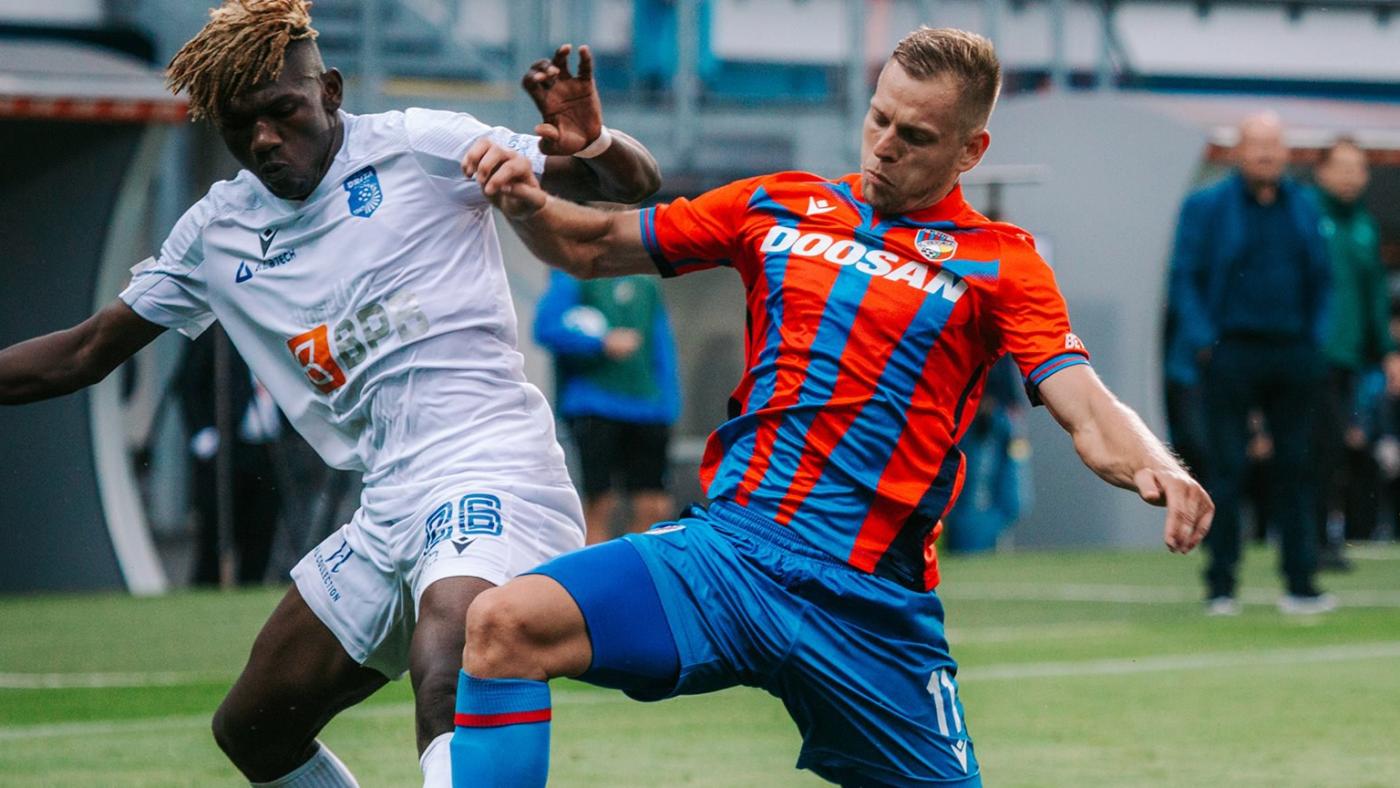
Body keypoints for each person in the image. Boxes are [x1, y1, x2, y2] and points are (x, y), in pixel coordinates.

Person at [449, 27, 1213, 787]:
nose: (885, 146)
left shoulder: (1004, 263)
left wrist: (1159, 466)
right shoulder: (780, 203)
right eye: (880, 118)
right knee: (505, 625)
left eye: (916, 136)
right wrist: (526, 201)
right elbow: (593, 245)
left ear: (970, 152)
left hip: (868, 607)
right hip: (729, 557)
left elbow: (1084, 402)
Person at [0, 1, 660, 785]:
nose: (263, 140)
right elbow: (83, 352)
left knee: (449, 662)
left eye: (283, 111)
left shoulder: (419, 147)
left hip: (492, 465)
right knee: (254, 728)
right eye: (239, 126)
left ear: (331, 92)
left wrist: (595, 143)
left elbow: (628, 185)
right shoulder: (218, 232)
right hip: (388, 502)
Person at [1168, 112, 1334, 616]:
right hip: (1231, 351)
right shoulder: (1207, 206)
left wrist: (1315, 340)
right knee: (1226, 469)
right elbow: (1184, 276)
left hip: (1293, 351)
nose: (1266, 155)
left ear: (1286, 153)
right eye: (1257, 145)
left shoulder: (1304, 205)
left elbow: (1323, 278)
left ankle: (1301, 583)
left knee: (1296, 467)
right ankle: (1221, 585)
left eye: (1274, 146)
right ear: (1238, 151)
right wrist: (1204, 342)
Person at [534, 270, 681, 543]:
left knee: (654, 506)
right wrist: (600, 342)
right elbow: (546, 328)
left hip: (648, 409)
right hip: (594, 409)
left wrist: (668, 407)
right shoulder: (572, 274)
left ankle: (636, 569)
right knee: (599, 504)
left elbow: (661, 345)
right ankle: (592, 570)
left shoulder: (646, 283)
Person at [1312, 137, 1400, 567]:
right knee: (1312, 446)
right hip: (1310, 353)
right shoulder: (1307, 217)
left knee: (1336, 449)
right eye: (1342, 167)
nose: (1350, 177)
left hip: (1348, 358)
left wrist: (1388, 351)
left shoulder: (1365, 227)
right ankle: (1310, 538)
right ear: (1321, 171)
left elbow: (1375, 296)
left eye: (1357, 168)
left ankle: (1325, 536)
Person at [176, 328, 285, 586]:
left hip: (269, 449)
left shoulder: (277, 333)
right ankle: (206, 590)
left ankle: (252, 585)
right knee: (216, 533)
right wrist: (204, 437)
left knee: (261, 530)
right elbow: (188, 383)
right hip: (227, 447)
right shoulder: (217, 335)